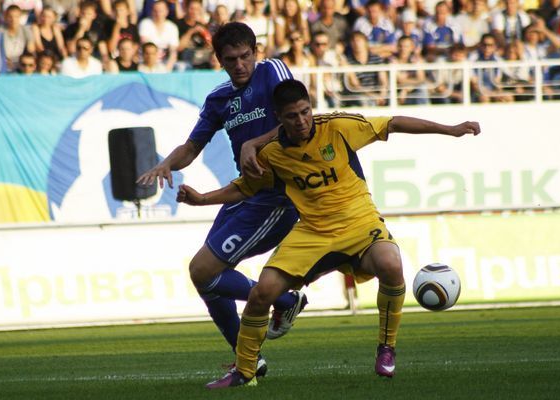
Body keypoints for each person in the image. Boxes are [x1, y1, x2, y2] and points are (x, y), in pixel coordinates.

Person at [175, 79, 480, 388]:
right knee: (262, 293)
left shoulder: (337, 127)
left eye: (305, 112)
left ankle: (386, 347)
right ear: (278, 118)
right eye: (292, 116)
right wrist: (202, 199)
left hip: (359, 223)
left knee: (390, 263)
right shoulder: (272, 153)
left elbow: (394, 122)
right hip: (313, 232)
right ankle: (244, 371)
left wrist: (450, 129)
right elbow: (245, 188)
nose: (301, 121)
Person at [135, 22, 307, 377]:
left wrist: (253, 143)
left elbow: (297, 120)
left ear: (256, 52)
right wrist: (167, 163)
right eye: (231, 59)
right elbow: (191, 147)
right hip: (245, 192)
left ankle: (282, 303)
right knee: (205, 278)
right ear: (219, 60)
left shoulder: (272, 71)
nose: (240, 65)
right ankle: (251, 354)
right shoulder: (219, 99)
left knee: (203, 271)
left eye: (245, 56)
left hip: (277, 198)